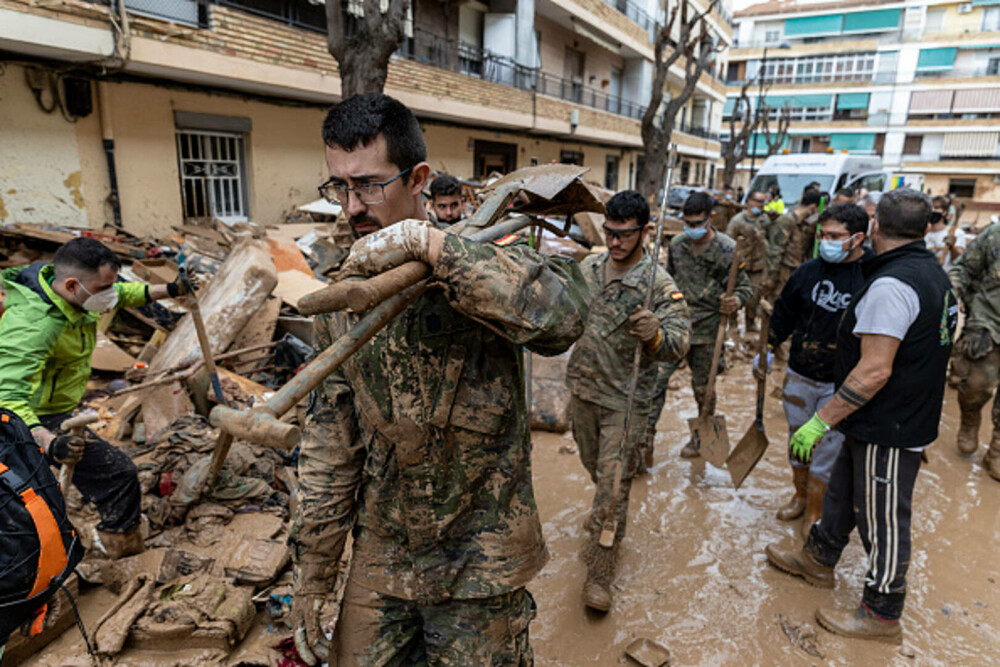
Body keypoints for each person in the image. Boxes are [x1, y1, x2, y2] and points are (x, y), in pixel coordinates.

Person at [289, 93, 588, 664]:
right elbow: (332, 448)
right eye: (340, 187)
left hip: (483, 557)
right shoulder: (344, 294)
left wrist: (431, 247)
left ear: (418, 178)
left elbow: (562, 319)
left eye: (369, 185)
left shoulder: (487, 260)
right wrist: (314, 573)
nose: (353, 205)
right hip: (384, 553)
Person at [766, 189, 958, 643]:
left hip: (890, 424)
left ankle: (882, 612)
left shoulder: (892, 286)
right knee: (842, 497)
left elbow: (874, 371)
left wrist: (821, 420)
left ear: (871, 228)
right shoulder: (931, 272)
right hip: (879, 418)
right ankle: (819, 559)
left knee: (884, 519)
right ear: (927, 228)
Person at [0, 238, 191, 558]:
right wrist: (48, 442)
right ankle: (39, 577)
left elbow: (121, 295)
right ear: (73, 285)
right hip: (19, 420)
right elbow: (6, 396)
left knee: (118, 475)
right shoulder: (35, 325)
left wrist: (169, 290)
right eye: (104, 287)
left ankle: (118, 549)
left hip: (54, 411)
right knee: (32, 509)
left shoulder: (74, 295)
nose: (110, 293)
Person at [566, 190, 690, 612]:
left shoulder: (659, 284)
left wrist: (656, 334)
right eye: (610, 233)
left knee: (614, 485)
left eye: (624, 235)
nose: (615, 242)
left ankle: (600, 572)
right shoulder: (590, 266)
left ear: (645, 233)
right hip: (583, 390)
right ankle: (602, 508)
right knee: (592, 466)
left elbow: (679, 344)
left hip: (626, 399)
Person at [763, 204, 873, 539]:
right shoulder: (808, 272)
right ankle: (799, 496)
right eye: (822, 235)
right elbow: (783, 312)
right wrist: (767, 348)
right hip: (800, 374)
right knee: (799, 441)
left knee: (827, 451)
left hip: (841, 383)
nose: (826, 241)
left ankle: (816, 510)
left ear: (858, 238)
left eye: (834, 236)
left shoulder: (873, 276)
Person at [646, 191, 753, 459]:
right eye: (688, 223)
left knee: (704, 388)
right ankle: (644, 439)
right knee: (655, 381)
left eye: (697, 223)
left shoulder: (728, 249)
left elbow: (745, 287)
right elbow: (668, 280)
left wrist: (735, 301)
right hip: (674, 325)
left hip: (708, 330)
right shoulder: (679, 244)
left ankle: (702, 440)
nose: (692, 229)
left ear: (711, 218)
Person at [948, 222, 1000, 480]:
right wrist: (952, 291)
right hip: (989, 322)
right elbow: (964, 268)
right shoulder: (995, 235)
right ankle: (969, 419)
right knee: (975, 386)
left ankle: (997, 449)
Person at [763, 188, 821, 302]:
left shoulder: (803, 223)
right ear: (813, 207)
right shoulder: (786, 221)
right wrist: (771, 278)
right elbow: (775, 251)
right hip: (782, 273)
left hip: (796, 271)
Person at [726, 189, 769, 332]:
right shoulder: (738, 220)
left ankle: (750, 324)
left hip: (758, 265)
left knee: (754, 297)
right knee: (735, 294)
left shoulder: (764, 220)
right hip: (741, 265)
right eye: (758, 201)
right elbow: (728, 241)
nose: (761, 205)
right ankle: (733, 324)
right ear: (749, 201)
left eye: (763, 202)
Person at [924, 195, 967, 270]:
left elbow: (960, 260)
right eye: (930, 208)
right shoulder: (921, 233)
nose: (932, 211)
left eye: (936, 208)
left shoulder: (957, 233)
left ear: (944, 212)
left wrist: (952, 247)